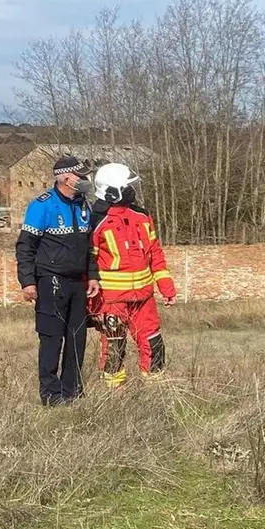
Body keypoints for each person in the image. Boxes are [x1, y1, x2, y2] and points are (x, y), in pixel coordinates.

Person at [14, 155, 100, 406]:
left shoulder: (84, 205)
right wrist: (27, 281)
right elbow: (25, 246)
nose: (85, 180)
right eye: (80, 176)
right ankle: (51, 395)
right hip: (50, 279)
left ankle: (72, 391)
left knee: (77, 337)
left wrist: (92, 276)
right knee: (51, 337)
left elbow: (89, 246)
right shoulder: (42, 205)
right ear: (65, 178)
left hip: (78, 282)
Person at [88, 163, 177, 388]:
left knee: (153, 342)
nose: (131, 191)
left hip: (144, 298)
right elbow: (87, 263)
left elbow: (155, 252)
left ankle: (155, 389)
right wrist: (89, 303)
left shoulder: (142, 216)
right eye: (126, 187)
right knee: (114, 346)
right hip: (111, 299)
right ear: (112, 191)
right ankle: (114, 392)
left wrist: (166, 287)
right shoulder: (96, 221)